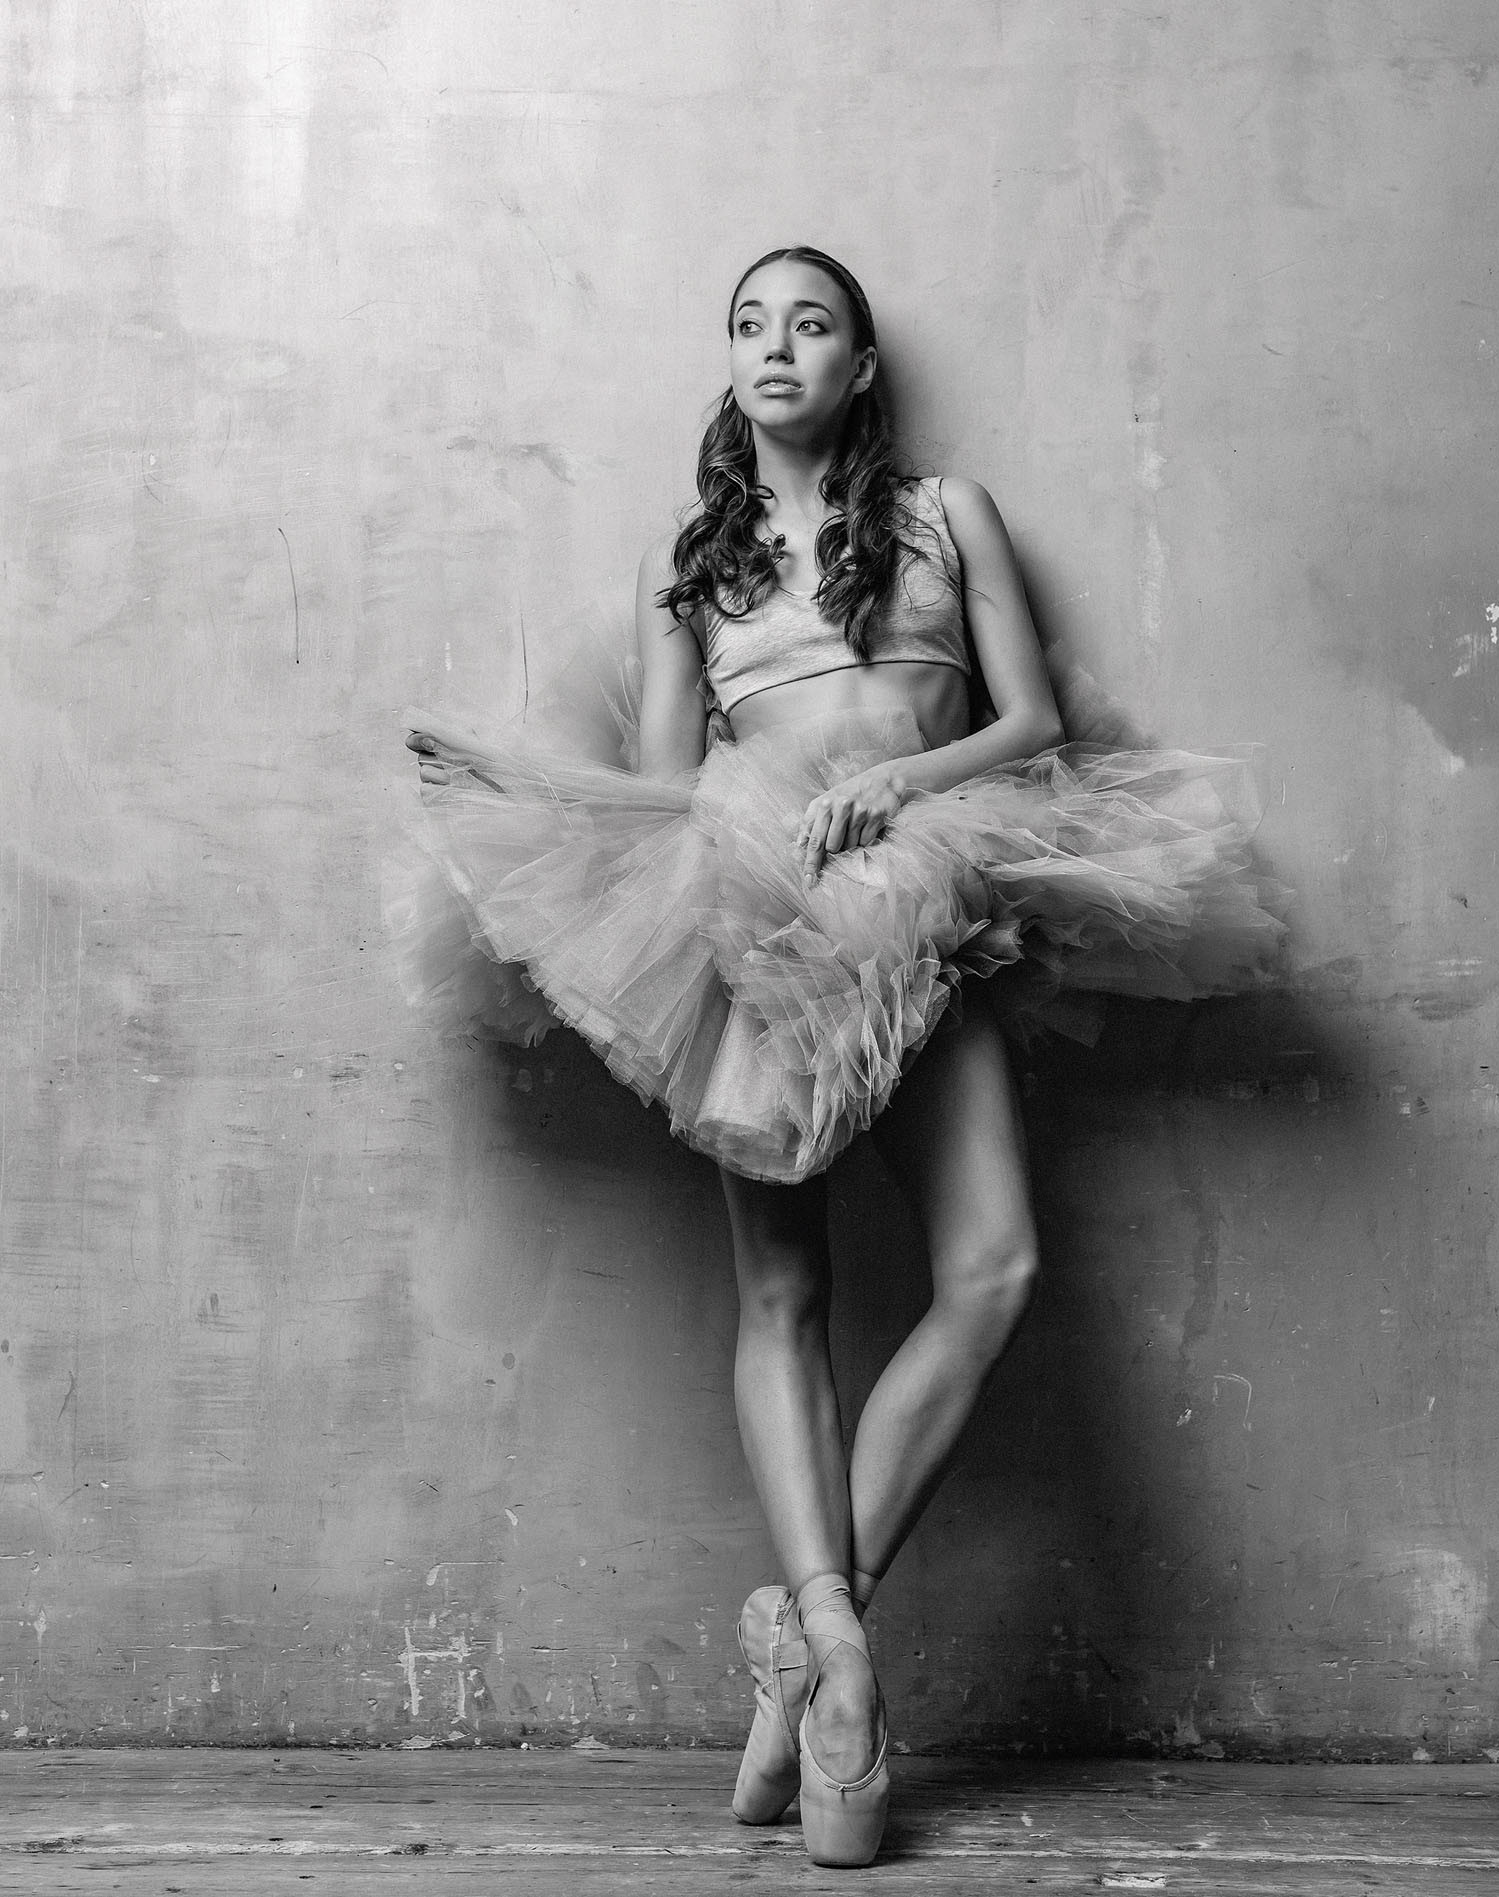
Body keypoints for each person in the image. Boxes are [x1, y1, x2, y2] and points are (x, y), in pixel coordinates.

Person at [395, 246, 1283, 1867]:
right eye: (749, 325)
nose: (775, 347)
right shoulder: (692, 556)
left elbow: (1031, 723)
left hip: (927, 894)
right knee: (782, 1291)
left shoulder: (947, 516)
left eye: (809, 324)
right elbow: (667, 788)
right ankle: (843, 1667)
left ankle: (808, 1642)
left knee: (994, 1267)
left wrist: (900, 785)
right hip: (754, 917)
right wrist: (517, 795)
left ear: (860, 365)